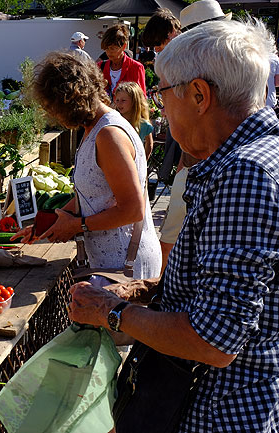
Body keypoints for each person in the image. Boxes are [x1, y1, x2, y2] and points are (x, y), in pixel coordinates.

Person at [69, 18, 279, 432]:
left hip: (219, 411)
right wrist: (146, 290)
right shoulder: (255, 154)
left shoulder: (244, 174)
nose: (161, 110)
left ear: (199, 95)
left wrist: (112, 311)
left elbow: (214, 341)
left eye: (163, 93)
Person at [12, 52, 162, 280]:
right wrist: (51, 222)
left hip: (125, 266)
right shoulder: (95, 128)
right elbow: (93, 194)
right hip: (111, 263)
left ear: (69, 100)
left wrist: (76, 226)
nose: (55, 117)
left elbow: (133, 209)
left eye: (53, 109)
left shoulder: (109, 135)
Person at [156, 0, 231, 274]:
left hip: (206, 168)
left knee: (172, 246)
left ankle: (164, 295)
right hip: (206, 167)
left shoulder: (197, 71)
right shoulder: (233, 62)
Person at [97, 24, 146, 99]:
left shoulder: (136, 67)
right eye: (106, 49)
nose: (109, 52)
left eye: (113, 48)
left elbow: (141, 98)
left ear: (124, 46)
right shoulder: (100, 67)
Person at [113, 81, 154, 159]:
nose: (119, 104)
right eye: (117, 100)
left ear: (134, 101)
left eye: (123, 100)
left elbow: (149, 144)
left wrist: (143, 161)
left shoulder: (143, 124)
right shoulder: (115, 120)